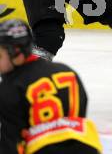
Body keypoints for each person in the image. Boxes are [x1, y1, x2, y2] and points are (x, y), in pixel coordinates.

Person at [0, 19, 102, 154]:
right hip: (88, 147)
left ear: (17, 53)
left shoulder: (10, 88)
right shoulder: (67, 72)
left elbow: (11, 145)